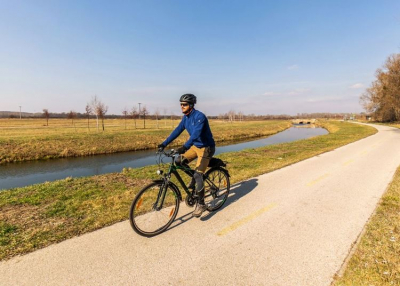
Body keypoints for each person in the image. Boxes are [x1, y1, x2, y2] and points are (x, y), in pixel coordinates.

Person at [158, 94, 215, 217]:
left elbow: (195, 134)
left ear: (191, 105)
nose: (182, 107)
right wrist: (164, 143)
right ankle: (194, 179)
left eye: (184, 104)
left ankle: (201, 204)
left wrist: (185, 147)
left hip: (206, 147)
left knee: (198, 174)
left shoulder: (200, 117)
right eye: (181, 104)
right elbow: (177, 130)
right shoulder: (185, 118)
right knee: (179, 161)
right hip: (196, 147)